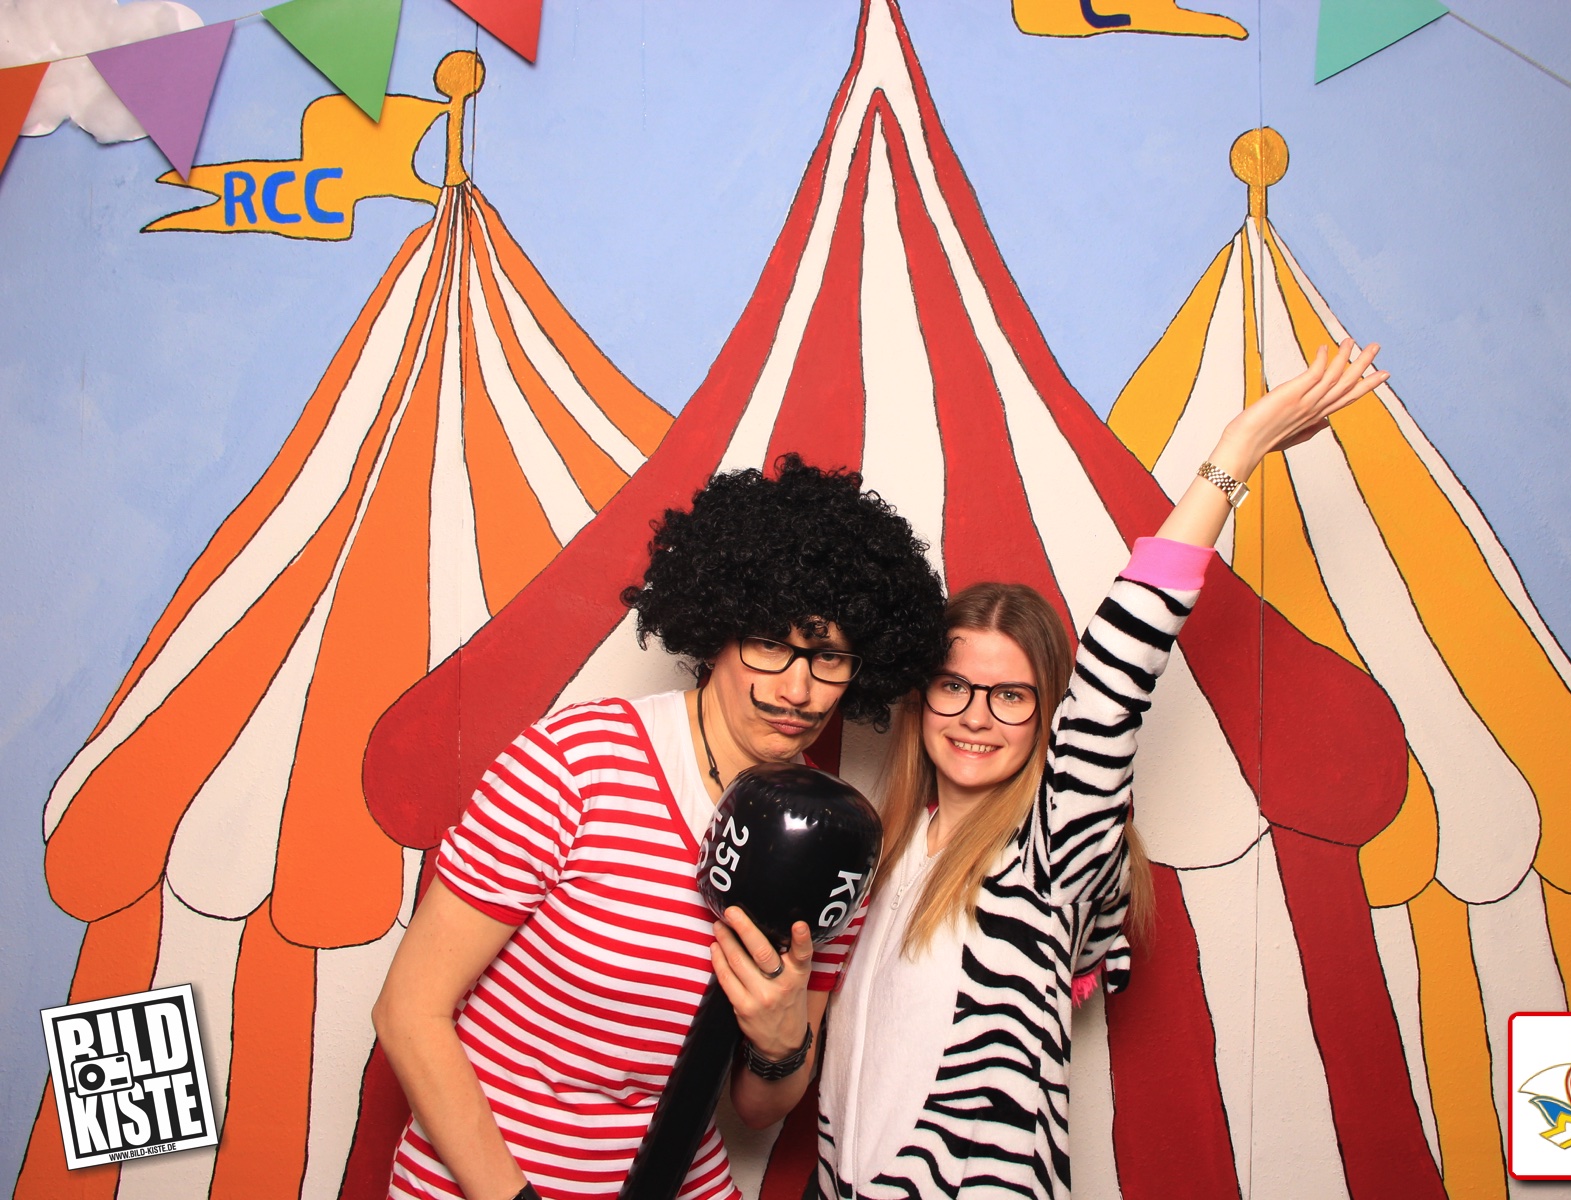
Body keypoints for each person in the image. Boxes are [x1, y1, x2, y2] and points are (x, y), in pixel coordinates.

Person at [815, 340, 1389, 1200]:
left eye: (1012, 696)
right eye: (953, 686)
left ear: (1051, 716)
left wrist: (1235, 453)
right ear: (919, 697)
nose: (976, 715)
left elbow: (1123, 662)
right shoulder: (882, 846)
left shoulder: (1052, 848)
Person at [373, 456, 945, 1200]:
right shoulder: (577, 763)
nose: (797, 689)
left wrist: (781, 1044)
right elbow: (409, 1011)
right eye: (771, 643)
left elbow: (758, 1108)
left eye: (828, 656)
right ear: (716, 631)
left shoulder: (838, 839)